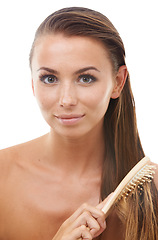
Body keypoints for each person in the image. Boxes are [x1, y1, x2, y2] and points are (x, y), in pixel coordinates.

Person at [0, 7, 158, 240]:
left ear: (117, 82)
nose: (66, 100)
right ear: (33, 83)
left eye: (86, 78)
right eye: (49, 78)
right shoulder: (3, 177)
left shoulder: (153, 191)